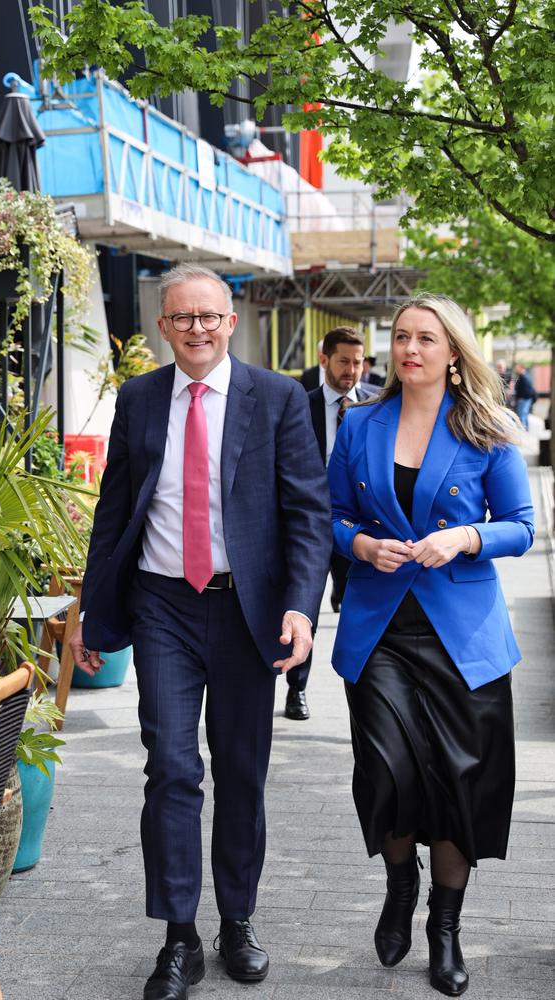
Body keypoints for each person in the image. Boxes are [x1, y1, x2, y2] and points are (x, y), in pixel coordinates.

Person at [69, 263, 332, 1000]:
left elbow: (308, 516)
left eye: (210, 317)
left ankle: (238, 921)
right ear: (163, 326)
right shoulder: (140, 399)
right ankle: (178, 935)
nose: (198, 330)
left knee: (242, 774)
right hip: (163, 607)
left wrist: (302, 607)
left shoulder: (276, 399)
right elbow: (114, 510)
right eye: (183, 319)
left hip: (248, 611)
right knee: (173, 769)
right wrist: (94, 607)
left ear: (231, 321)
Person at [328, 292, 534, 997]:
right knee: (388, 774)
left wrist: (466, 537)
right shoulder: (360, 425)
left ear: (453, 353)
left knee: (457, 787)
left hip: (463, 637)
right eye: (402, 337)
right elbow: (331, 515)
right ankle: (398, 884)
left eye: (426, 338)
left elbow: (523, 525)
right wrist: (360, 543)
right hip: (379, 629)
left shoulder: (486, 428)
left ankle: (444, 931)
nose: (410, 349)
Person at [285, 327, 378, 721]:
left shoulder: (376, 406)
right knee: (305, 608)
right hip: (309, 525)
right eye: (344, 361)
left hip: (356, 528)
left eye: (358, 363)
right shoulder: (298, 406)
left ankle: (370, 691)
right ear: (324, 360)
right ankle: (297, 690)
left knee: (360, 605)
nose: (352, 371)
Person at [513, 362, 537, 430]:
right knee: (524, 416)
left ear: (521, 368)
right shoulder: (525, 376)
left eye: (517, 368)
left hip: (524, 400)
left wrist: (521, 398)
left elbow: (527, 390)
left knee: (522, 416)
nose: (516, 370)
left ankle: (523, 431)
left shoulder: (524, 377)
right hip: (525, 399)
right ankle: (525, 430)